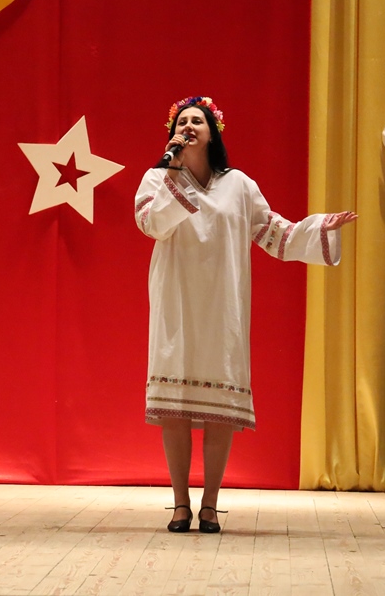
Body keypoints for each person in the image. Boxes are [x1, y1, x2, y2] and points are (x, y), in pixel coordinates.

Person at [134, 96, 356, 534]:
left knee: (219, 410)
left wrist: (317, 228)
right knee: (175, 410)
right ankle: (180, 505)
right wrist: (173, 172)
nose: (189, 126)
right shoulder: (157, 177)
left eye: (197, 120)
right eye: (182, 121)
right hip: (176, 304)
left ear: (212, 132)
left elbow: (273, 232)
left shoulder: (238, 184)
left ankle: (210, 506)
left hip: (223, 306)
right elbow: (152, 225)